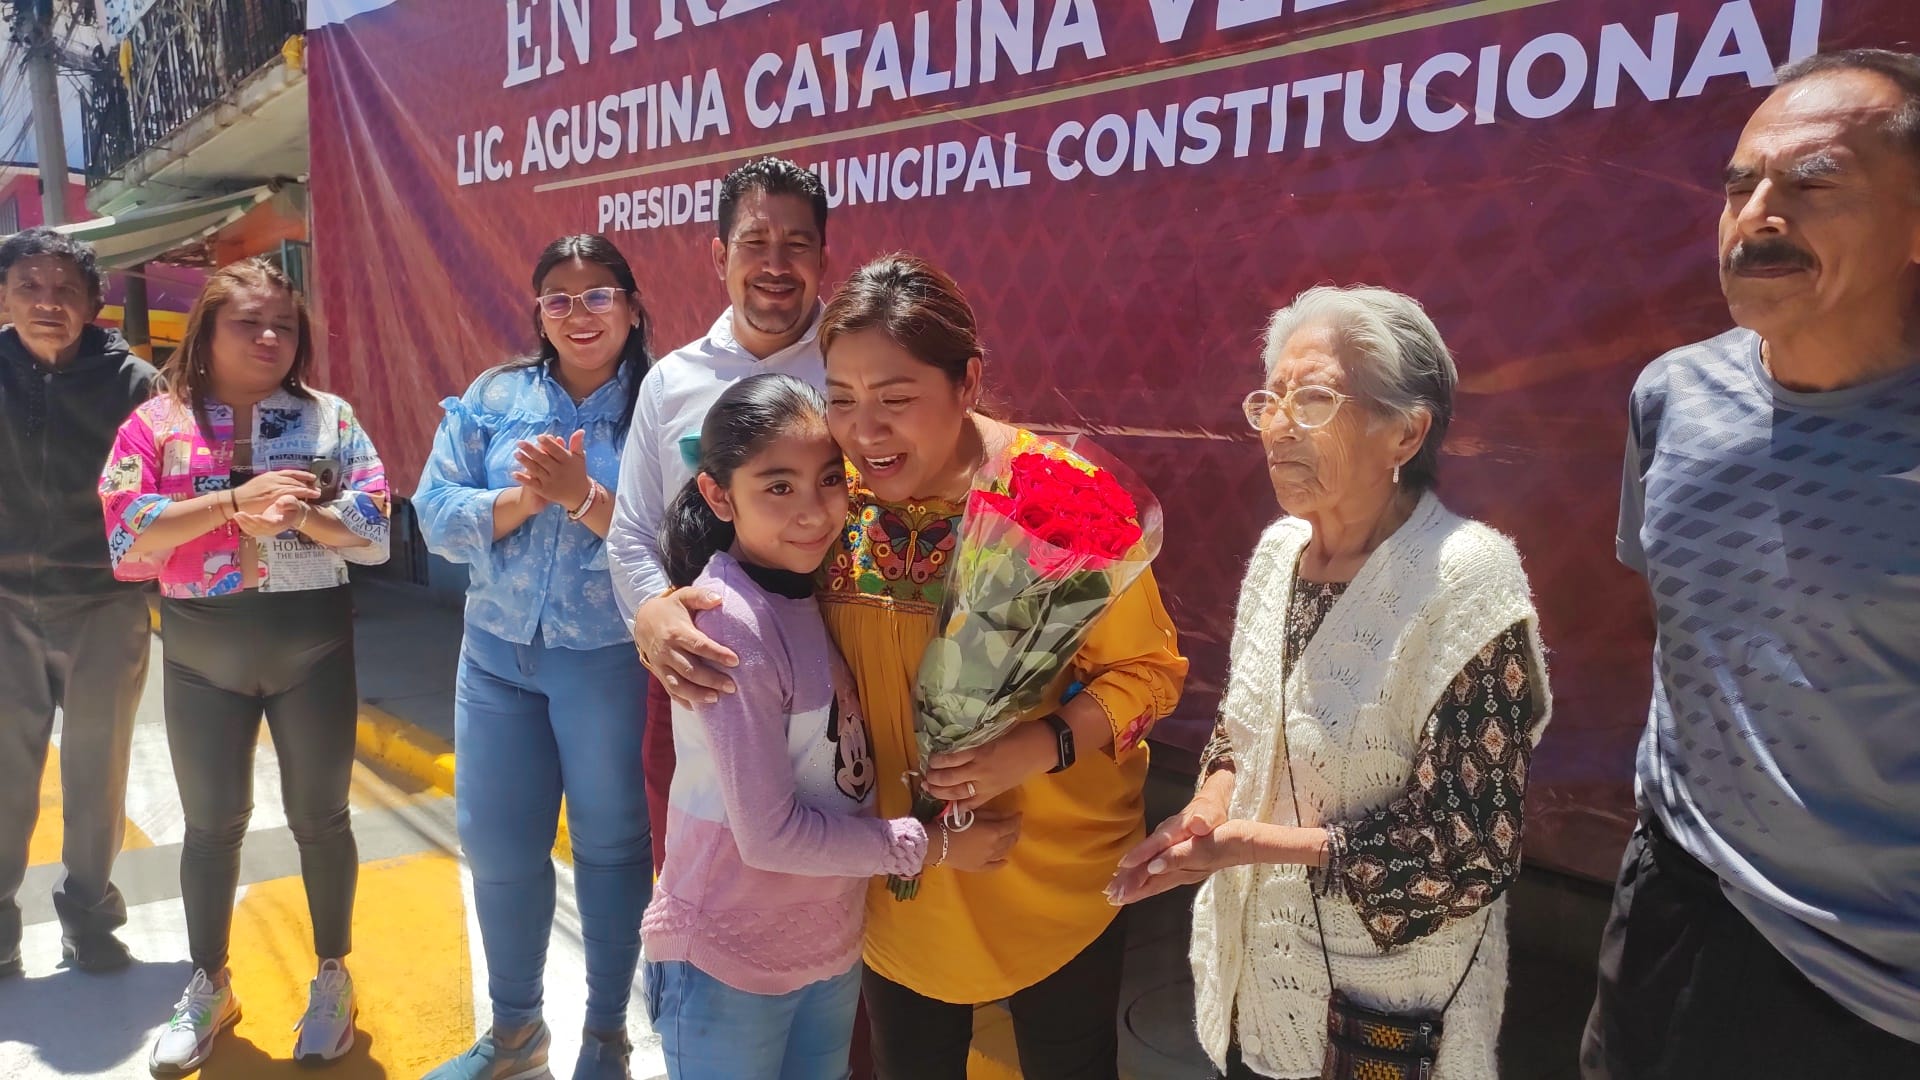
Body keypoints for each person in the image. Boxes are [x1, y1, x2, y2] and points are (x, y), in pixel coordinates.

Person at [641, 253, 1189, 1079]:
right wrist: (656, 612)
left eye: (896, 401)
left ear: (968, 382)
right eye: (844, 400)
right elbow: (725, 568)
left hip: (1052, 874)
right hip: (897, 874)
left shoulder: (1057, 500)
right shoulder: (830, 496)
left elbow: (1152, 676)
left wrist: (1043, 745)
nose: (865, 432)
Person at [1107, 285, 1552, 1080]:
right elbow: (1244, 728)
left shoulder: (1467, 582)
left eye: (1312, 399)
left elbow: (1472, 848)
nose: (1279, 426)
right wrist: (1208, 813)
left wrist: (1254, 845)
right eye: (1270, 400)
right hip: (1257, 982)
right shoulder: (1280, 554)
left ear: (1406, 431)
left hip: (1383, 1014)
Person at [1581, 49, 1920, 1078]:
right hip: (1671, 906)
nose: (1758, 214)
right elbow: (1696, 637)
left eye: (1814, 182)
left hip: (1867, 991)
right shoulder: (1673, 398)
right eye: (1739, 183)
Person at [639, 372, 1021, 1079]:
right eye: (777, 487)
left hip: (826, 944)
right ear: (719, 495)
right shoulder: (732, 625)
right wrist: (932, 846)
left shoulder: (819, 587)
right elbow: (768, 835)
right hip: (732, 959)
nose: (815, 512)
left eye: (828, 481)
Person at [98, 258, 390, 1074]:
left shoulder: (330, 418)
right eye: (248, 323)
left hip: (315, 645)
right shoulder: (155, 426)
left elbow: (376, 520)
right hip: (200, 651)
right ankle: (209, 983)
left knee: (321, 819)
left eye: (284, 325)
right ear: (207, 330)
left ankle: (333, 976)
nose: (269, 337)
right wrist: (233, 503)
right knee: (211, 825)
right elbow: (127, 538)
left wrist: (311, 517)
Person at [416, 235, 654, 1080]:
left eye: (598, 296)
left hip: (608, 660)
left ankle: (606, 1036)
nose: (579, 313)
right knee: (499, 844)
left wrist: (582, 497)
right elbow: (435, 513)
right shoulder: (494, 397)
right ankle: (516, 1033)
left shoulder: (659, 406)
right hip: (494, 657)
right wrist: (522, 499)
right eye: (559, 297)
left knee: (613, 844)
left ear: (631, 306)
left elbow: (680, 542)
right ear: (538, 313)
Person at [610, 156, 831, 881]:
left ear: (823, 257)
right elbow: (635, 529)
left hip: (840, 671)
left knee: (836, 871)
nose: (775, 265)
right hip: (700, 673)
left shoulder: (855, 368)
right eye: (754, 243)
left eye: (796, 245)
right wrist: (651, 615)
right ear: (718, 255)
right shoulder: (673, 381)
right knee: (697, 883)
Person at [0, 228, 157, 981]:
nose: (48, 303)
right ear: (4, 297)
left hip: (105, 603)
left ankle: (89, 917)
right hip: (3, 604)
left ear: (94, 305)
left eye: (66, 290)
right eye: (29, 286)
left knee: (98, 773)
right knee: (4, 774)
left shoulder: (136, 386)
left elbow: (170, 487)